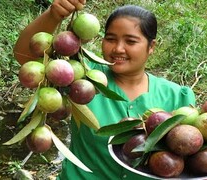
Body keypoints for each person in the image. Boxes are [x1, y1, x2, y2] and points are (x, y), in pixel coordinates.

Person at [13, 0, 196, 179]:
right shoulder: (83, 77)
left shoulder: (177, 97)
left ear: (151, 47)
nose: (118, 49)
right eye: (110, 39)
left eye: (131, 42)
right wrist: (53, 15)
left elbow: (187, 157)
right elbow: (26, 56)